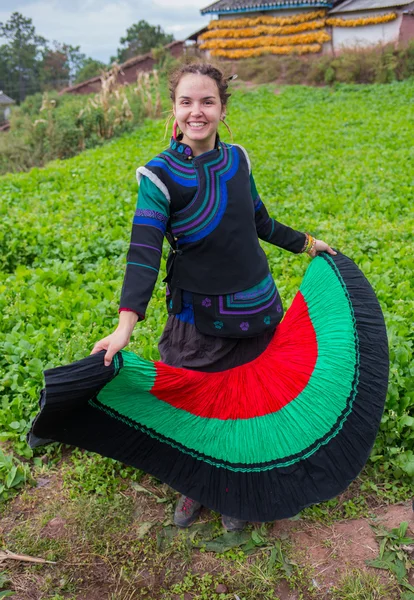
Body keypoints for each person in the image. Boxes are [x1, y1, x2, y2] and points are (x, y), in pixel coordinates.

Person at [90, 63, 336, 531]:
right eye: (187, 102)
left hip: (257, 307)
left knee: (247, 402)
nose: (197, 111)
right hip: (195, 318)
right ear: (174, 111)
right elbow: (143, 252)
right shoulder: (159, 176)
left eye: (207, 101)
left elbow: (259, 222)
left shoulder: (238, 159)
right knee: (198, 404)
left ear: (223, 108)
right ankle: (197, 484)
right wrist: (125, 326)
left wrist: (307, 243)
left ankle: (237, 490)